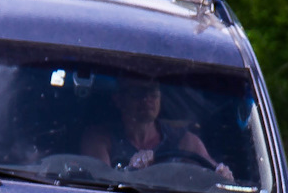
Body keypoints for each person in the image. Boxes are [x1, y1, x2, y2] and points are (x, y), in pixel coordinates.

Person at [81, 77, 233, 180]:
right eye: (137, 93)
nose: (147, 99)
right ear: (118, 100)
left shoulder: (185, 142)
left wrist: (222, 175)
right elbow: (99, 187)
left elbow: (217, 180)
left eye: (153, 92)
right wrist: (129, 173)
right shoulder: (100, 139)